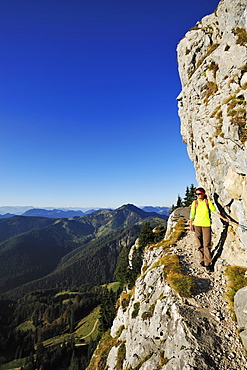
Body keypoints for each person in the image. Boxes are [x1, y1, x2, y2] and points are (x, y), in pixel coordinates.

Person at [189, 187, 229, 271]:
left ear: (203, 193)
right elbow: (192, 214)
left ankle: (208, 263)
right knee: (199, 243)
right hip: (197, 225)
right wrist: (191, 224)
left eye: (199, 194)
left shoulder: (207, 202)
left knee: (206, 244)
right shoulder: (195, 202)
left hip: (206, 225)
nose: (197, 195)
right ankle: (202, 259)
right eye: (196, 194)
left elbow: (214, 211)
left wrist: (223, 218)